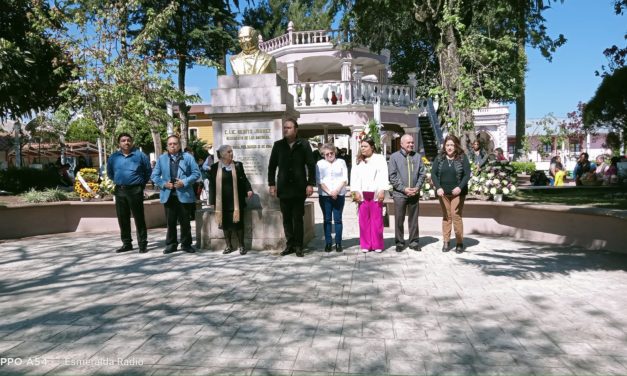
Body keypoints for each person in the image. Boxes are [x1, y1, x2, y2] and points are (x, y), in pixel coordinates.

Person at [268, 118, 316, 257]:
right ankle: (290, 245)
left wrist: (310, 183)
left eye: (288, 128)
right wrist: (271, 184)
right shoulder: (278, 145)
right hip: (283, 188)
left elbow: (311, 165)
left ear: (296, 129)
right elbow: (272, 166)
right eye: (284, 128)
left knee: (298, 218)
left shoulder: (304, 144)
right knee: (286, 218)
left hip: (299, 188)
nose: (285, 130)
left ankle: (299, 246)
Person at [151, 135, 201, 254]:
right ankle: (171, 244)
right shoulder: (162, 159)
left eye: (175, 143)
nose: (173, 146)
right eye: (170, 144)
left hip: (184, 194)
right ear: (167, 146)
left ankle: (186, 244)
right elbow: (154, 176)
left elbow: (196, 173)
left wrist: (184, 182)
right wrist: (164, 184)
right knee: (171, 222)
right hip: (168, 195)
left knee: (185, 222)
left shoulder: (188, 157)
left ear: (179, 145)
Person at [107, 133, 152, 253]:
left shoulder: (140, 156)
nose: (126, 142)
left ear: (132, 142)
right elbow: (110, 173)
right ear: (119, 143)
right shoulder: (113, 157)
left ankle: (142, 244)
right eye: (123, 140)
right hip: (120, 190)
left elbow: (148, 172)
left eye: (128, 140)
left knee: (139, 217)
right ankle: (127, 244)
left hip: (135, 189)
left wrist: (140, 185)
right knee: (123, 218)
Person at [210, 145, 254, 255]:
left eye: (231, 151)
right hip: (222, 202)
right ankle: (228, 246)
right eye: (229, 152)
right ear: (223, 154)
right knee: (225, 225)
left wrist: (249, 189)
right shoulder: (215, 167)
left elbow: (244, 180)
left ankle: (241, 245)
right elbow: (212, 185)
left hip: (236, 201)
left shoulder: (238, 165)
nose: (231, 153)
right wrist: (211, 201)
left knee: (239, 224)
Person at [431, 135, 471, 254]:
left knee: (455, 215)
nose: (449, 147)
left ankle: (459, 242)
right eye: (447, 145)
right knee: (446, 216)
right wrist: (438, 187)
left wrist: (460, 187)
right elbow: (433, 174)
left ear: (456, 145)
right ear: (444, 146)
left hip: (458, 193)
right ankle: (446, 241)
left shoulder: (462, 158)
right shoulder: (439, 158)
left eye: (452, 145)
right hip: (443, 193)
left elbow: (467, 174)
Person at [350, 137, 389, 253]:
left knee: (377, 221)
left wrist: (382, 190)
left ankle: (377, 244)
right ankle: (366, 244)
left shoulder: (379, 159)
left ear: (372, 147)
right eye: (361, 146)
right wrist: (355, 191)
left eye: (365, 146)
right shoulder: (358, 160)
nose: (363, 148)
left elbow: (383, 175)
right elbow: (354, 177)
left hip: (375, 193)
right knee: (363, 221)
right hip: (362, 194)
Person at [388, 134, 425, 252]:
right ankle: (399, 242)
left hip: (414, 193)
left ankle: (414, 242)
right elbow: (392, 176)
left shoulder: (417, 157)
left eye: (412, 142)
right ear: (402, 144)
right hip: (400, 194)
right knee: (399, 219)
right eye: (408, 143)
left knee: (414, 220)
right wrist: (404, 189)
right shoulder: (394, 157)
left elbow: (422, 174)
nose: (411, 145)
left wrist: (417, 187)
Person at [316, 143, 348, 253]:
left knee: (338, 220)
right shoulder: (319, 164)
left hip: (339, 194)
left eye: (331, 153)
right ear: (323, 155)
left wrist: (336, 191)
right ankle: (328, 243)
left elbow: (345, 179)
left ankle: (338, 243)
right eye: (327, 154)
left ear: (335, 152)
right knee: (327, 219)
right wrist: (330, 192)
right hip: (325, 196)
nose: (330, 155)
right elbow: (319, 181)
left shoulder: (341, 162)